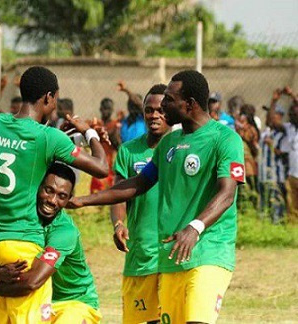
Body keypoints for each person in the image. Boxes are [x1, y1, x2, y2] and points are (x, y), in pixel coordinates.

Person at [69, 70, 245, 324]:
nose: (162, 106)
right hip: (172, 257)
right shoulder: (169, 143)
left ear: (190, 103)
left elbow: (227, 193)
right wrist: (83, 201)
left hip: (209, 252)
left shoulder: (225, 139)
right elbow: (139, 183)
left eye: (169, 100)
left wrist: (195, 228)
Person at [0, 66, 108, 324]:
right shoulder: (50, 137)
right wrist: (89, 133)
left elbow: (26, 148)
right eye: (56, 99)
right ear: (48, 97)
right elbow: (102, 168)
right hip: (21, 244)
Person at [0, 163, 101, 324]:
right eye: (48, 190)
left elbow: (33, 282)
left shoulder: (64, 232)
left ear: (69, 199)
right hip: (31, 299)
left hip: (72, 301)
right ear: (37, 187)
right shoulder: (20, 216)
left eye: (62, 196)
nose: (52, 200)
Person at [110, 83, 170, 324]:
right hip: (141, 252)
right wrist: (118, 224)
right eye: (149, 110)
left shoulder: (182, 147)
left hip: (172, 251)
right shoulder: (129, 151)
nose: (154, 115)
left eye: (161, 110)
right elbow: (118, 193)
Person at [89, 98, 120, 194]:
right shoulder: (96, 124)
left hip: (109, 163)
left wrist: (112, 134)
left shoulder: (115, 125)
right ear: (100, 109)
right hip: (96, 161)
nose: (106, 111)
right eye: (105, 108)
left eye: (109, 109)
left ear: (112, 110)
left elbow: (118, 146)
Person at [279, 86, 298, 223]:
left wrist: (292, 95)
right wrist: (274, 101)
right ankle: (292, 234)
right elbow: (271, 122)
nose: (294, 114)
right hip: (292, 175)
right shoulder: (290, 128)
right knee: (292, 209)